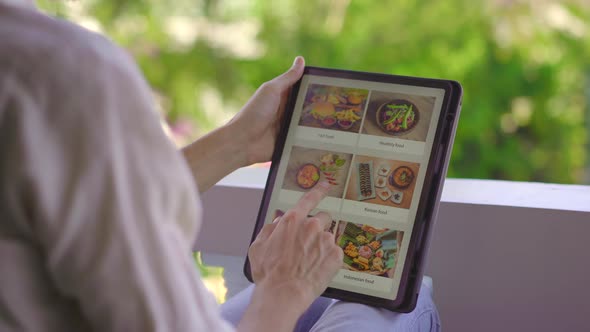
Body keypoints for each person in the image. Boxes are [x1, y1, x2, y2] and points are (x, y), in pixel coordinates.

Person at [0, 1, 440, 331]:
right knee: (407, 297)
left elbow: (90, 204)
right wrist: (285, 288)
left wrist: (238, 142)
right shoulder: (59, 71)